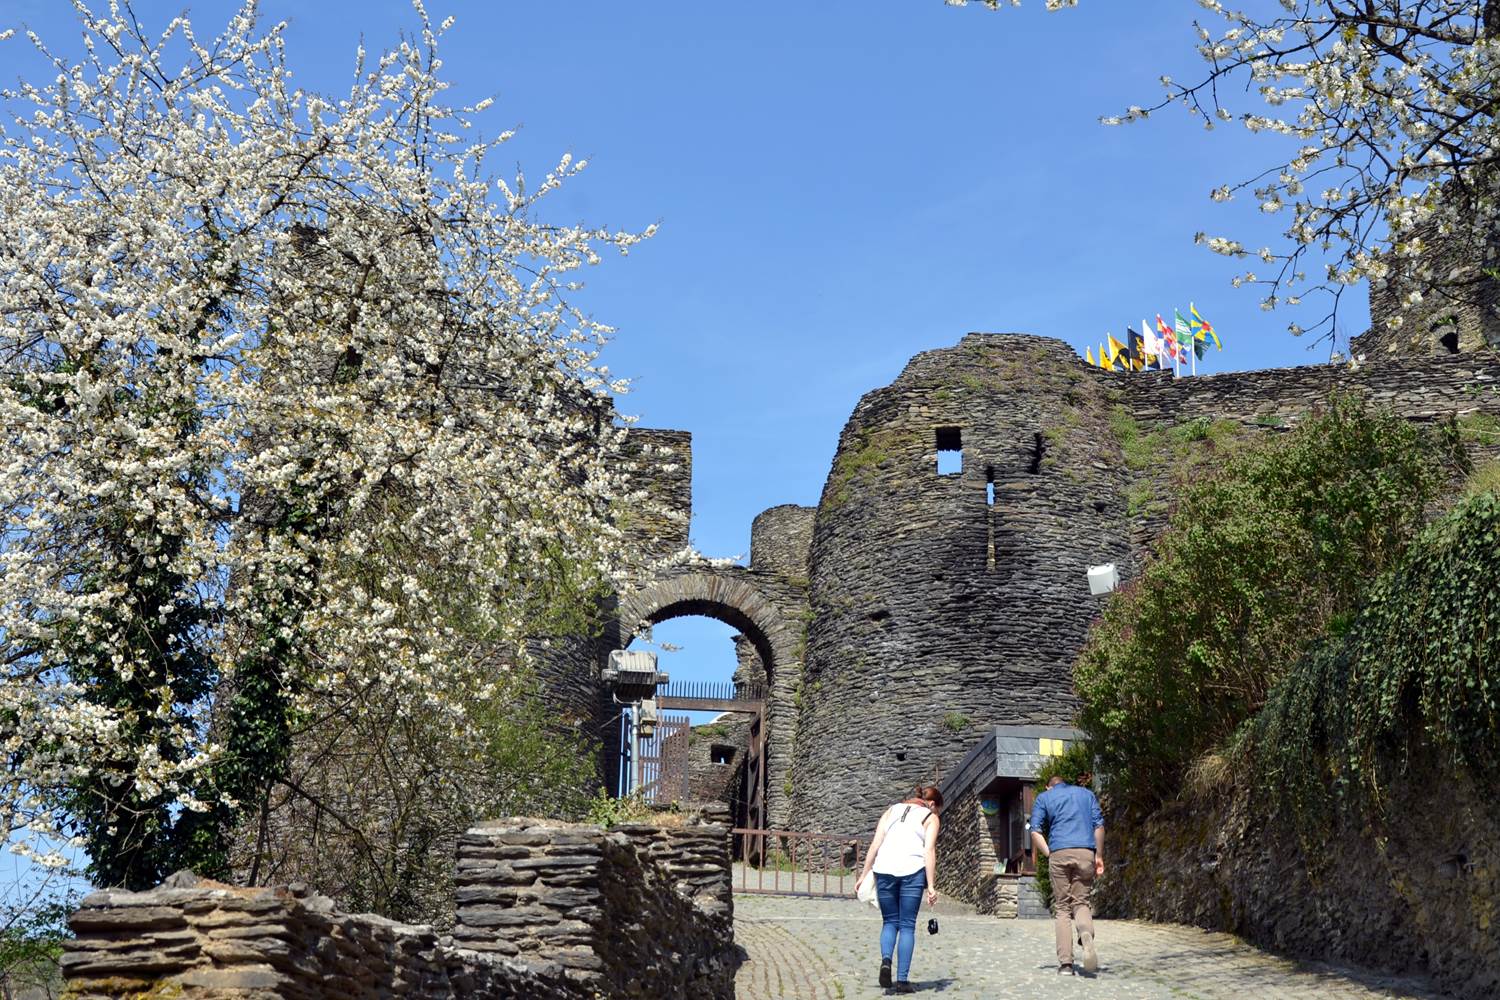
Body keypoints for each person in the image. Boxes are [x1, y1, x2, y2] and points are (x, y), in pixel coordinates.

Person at [856, 785, 942, 994]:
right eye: (938, 809)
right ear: (932, 804)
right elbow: (928, 851)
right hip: (912, 871)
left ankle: (886, 961)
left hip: (883, 869)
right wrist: (931, 886)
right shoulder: (930, 817)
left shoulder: (891, 810)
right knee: (907, 925)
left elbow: (875, 845)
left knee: (889, 922)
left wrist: (863, 874)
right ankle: (902, 981)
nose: (937, 812)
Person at [1030, 773, 1105, 975]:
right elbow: (1098, 825)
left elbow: (1035, 830)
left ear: (1048, 787)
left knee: (1062, 907)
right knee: (1081, 901)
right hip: (1085, 852)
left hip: (1059, 852)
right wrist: (1099, 855)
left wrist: (1049, 853)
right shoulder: (1086, 794)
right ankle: (1086, 934)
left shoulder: (1044, 798)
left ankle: (1066, 964)